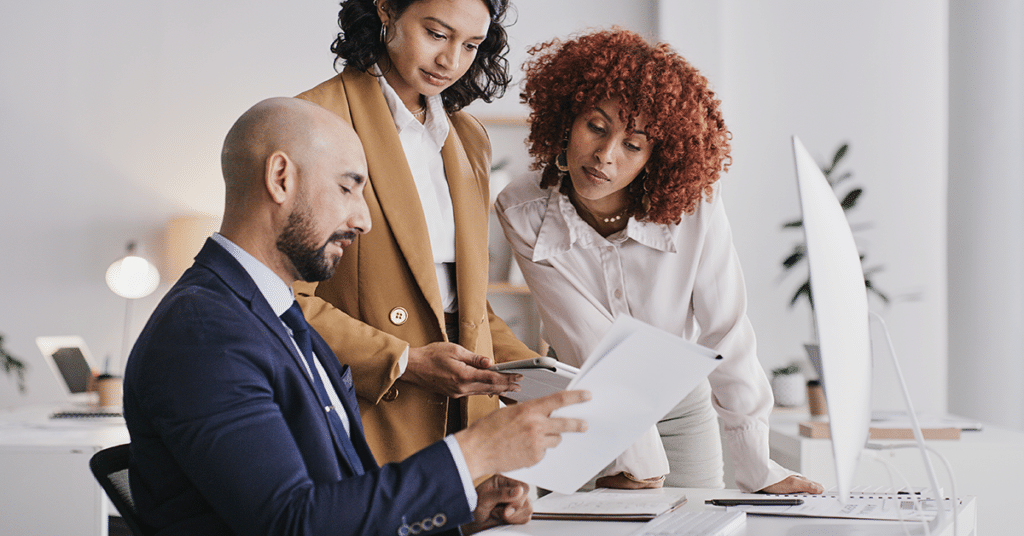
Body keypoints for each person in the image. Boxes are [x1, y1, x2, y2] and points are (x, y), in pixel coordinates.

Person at [123, 97, 590, 535]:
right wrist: (474, 453)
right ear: (281, 178)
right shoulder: (203, 333)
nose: (364, 220)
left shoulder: (273, 313)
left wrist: (461, 513)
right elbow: (293, 524)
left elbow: (339, 503)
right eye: (348, 187)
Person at [495, 29, 824, 495]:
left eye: (633, 144)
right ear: (568, 117)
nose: (605, 156)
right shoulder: (522, 208)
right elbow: (584, 337)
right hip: (585, 408)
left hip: (683, 410)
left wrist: (757, 465)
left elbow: (725, 329)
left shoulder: (696, 206)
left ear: (657, 156)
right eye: (596, 126)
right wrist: (635, 460)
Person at [293, 0, 537, 467]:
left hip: (468, 420)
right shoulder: (314, 120)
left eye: (470, 45)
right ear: (386, 9)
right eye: (436, 34)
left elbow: (463, 303)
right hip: (370, 410)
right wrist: (405, 360)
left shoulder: (468, 137)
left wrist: (539, 375)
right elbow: (281, 301)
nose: (451, 62)